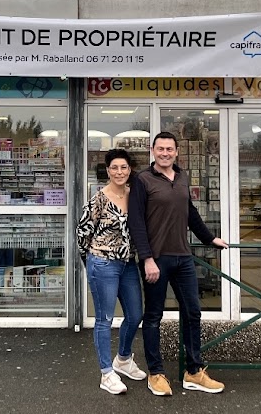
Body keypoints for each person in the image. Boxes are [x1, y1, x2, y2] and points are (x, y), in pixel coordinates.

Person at [128, 131, 229, 397]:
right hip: (156, 258)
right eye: (160, 149)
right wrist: (147, 258)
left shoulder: (183, 177)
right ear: (153, 151)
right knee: (153, 317)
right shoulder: (142, 179)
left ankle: (194, 371)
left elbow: (190, 213)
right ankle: (156, 373)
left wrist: (210, 238)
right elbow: (136, 222)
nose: (164, 153)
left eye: (169, 149)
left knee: (193, 312)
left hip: (183, 257)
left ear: (176, 152)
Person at [77, 148, 146, 395]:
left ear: (130, 170)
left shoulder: (135, 195)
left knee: (135, 314)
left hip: (128, 263)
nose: (119, 172)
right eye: (114, 167)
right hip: (103, 263)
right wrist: (92, 262)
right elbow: (82, 233)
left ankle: (124, 359)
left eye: (124, 167)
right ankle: (107, 373)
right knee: (104, 319)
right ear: (108, 171)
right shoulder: (98, 199)